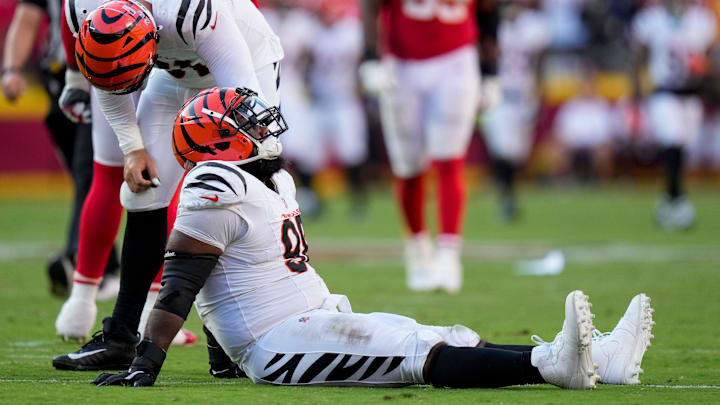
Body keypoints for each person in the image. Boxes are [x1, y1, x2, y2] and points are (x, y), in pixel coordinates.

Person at [90, 87, 655, 389]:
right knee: (417, 353)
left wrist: (219, 359)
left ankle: (593, 359)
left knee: (443, 332)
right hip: (280, 341)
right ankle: (551, 366)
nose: (262, 127)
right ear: (220, 145)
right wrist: (147, 361)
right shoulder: (213, 181)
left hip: (311, 317)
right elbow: (184, 282)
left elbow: (225, 274)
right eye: (247, 123)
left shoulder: (268, 181)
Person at [52, 0, 283, 370]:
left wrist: (239, 152)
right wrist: (133, 149)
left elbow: (243, 100)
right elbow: (110, 83)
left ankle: (232, 336)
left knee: (241, 183)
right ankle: (121, 336)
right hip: (172, 74)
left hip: (244, 63)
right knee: (143, 192)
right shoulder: (85, 9)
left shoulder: (190, 12)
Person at [358, 0, 483, 293]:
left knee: (449, 160)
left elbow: (489, 12)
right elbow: (370, 6)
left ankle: (449, 254)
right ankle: (418, 248)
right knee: (408, 165)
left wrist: (490, 70)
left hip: (456, 58)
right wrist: (371, 56)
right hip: (402, 63)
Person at [1, 0, 120, 299]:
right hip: (60, 79)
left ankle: (82, 263)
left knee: (91, 172)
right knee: (87, 176)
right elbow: (27, 18)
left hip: (113, 76)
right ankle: (104, 262)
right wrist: (12, 69)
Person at [631, 0, 716, 230]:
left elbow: (708, 56)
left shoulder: (701, 19)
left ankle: (669, 200)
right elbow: (639, 55)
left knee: (683, 150)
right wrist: (637, 89)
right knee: (673, 142)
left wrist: (705, 70)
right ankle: (678, 200)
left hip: (692, 94)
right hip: (664, 93)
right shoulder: (652, 19)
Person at [481, 0, 550, 221]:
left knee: (516, 153)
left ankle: (507, 194)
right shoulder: (492, 24)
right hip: (497, 93)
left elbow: (540, 63)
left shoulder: (535, 26)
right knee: (502, 149)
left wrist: (540, 90)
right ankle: (507, 198)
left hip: (523, 95)